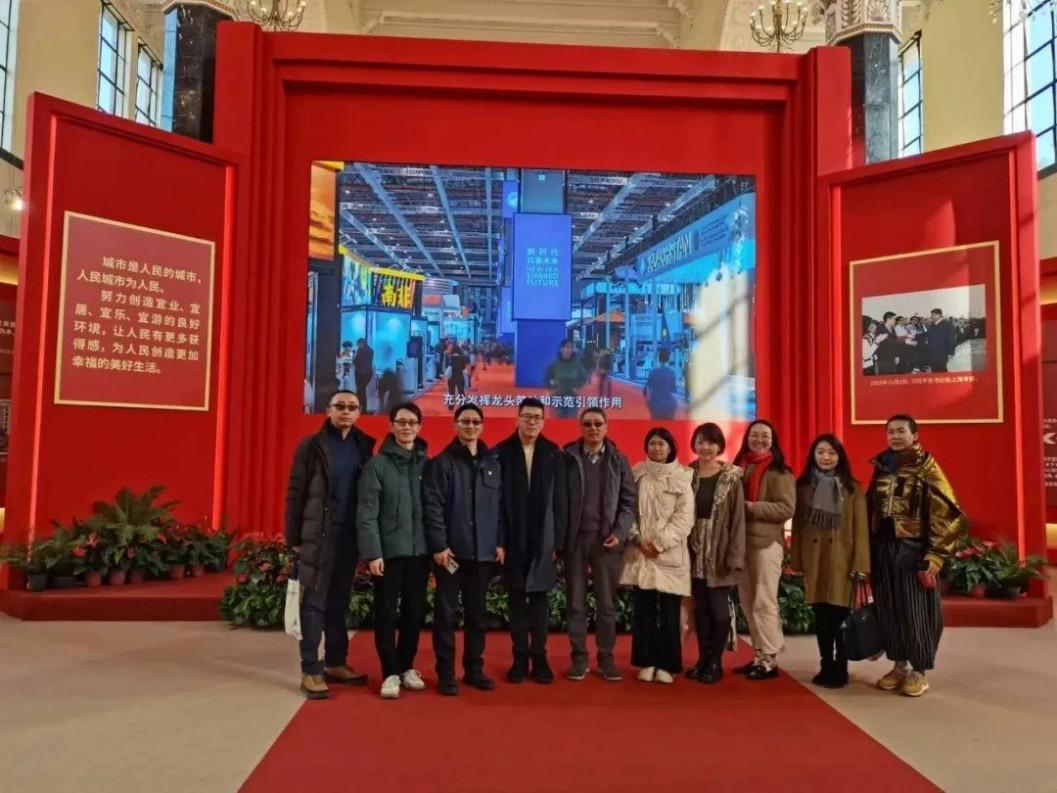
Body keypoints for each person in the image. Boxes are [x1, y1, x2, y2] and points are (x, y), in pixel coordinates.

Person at [285, 390, 376, 699]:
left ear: (359, 413)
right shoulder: (312, 446)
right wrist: (294, 539)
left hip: (349, 537)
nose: (346, 411)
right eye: (340, 406)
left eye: (352, 407)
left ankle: (336, 662)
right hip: (318, 535)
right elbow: (295, 492)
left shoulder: (363, 446)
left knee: (339, 601)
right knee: (314, 603)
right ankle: (311, 669)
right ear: (328, 410)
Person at [866, 414, 965, 697]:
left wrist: (936, 554)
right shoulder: (882, 466)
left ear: (915, 435)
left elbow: (948, 513)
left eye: (901, 431)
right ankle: (899, 665)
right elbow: (870, 507)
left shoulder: (927, 468)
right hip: (883, 547)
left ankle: (919, 670)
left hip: (914, 549)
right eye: (890, 432)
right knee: (889, 606)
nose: (895, 437)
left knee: (917, 610)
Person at [423, 404, 505, 696]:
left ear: (482, 426)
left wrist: (499, 542)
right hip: (450, 554)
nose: (470, 426)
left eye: (475, 422)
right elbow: (432, 506)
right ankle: (446, 674)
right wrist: (439, 544)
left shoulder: (492, 463)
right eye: (465, 421)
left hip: (482, 554)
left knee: (476, 616)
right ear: (455, 425)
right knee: (445, 616)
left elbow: (500, 508)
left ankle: (474, 670)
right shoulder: (441, 463)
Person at [357, 401, 430, 700]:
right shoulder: (377, 465)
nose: (407, 427)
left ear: (419, 427)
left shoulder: (427, 464)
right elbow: (367, 513)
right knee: (386, 613)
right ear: (391, 426)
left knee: (414, 612)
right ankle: (389, 672)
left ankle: (406, 666)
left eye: (412, 422)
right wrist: (373, 552)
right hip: (388, 554)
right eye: (401, 422)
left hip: (420, 552)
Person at [495, 397, 568, 684]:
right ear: (518, 418)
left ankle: (539, 657)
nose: (532, 422)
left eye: (537, 417)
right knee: (516, 600)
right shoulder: (501, 452)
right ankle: (519, 657)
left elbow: (561, 502)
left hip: (543, 538)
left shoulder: (553, 454)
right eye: (527, 416)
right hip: (513, 539)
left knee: (539, 601)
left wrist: (557, 542)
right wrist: (499, 541)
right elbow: (496, 502)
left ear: (543, 421)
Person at [790, 434, 869, 689]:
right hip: (815, 559)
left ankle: (841, 666)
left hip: (842, 562)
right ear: (813, 455)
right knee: (821, 617)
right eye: (821, 452)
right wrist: (797, 560)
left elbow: (861, 529)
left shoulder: (852, 488)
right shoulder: (803, 486)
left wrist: (860, 564)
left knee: (839, 617)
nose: (826, 457)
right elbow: (798, 527)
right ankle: (826, 663)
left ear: (840, 456)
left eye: (831, 453)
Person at [564, 407, 636, 682]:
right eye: (588, 424)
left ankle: (606, 658)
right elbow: (558, 500)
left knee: (606, 605)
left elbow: (629, 502)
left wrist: (620, 532)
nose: (593, 429)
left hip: (607, 541)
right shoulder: (568, 458)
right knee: (575, 604)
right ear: (580, 427)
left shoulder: (619, 460)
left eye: (598, 424)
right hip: (575, 541)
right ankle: (579, 659)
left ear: (606, 427)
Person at [621, 427, 694, 684]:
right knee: (644, 610)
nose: (656, 448)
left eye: (661, 444)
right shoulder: (637, 473)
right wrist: (638, 539)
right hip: (641, 551)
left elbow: (685, 517)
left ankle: (668, 664)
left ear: (670, 447)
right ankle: (646, 661)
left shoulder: (682, 476)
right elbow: (626, 508)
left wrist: (660, 544)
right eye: (652, 443)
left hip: (669, 553)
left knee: (670, 612)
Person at [732, 419, 795, 680]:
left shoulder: (780, 472)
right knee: (748, 602)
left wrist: (752, 507)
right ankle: (759, 654)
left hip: (766, 544)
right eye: (754, 435)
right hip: (741, 543)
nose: (759, 440)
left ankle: (770, 658)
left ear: (773, 440)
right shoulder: (740, 467)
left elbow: (786, 508)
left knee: (764, 601)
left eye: (765, 436)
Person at [685, 422, 745, 684]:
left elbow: (738, 519)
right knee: (701, 609)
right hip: (693, 550)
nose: (706, 447)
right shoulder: (687, 475)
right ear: (694, 444)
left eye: (711, 442)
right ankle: (702, 659)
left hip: (720, 549)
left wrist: (735, 555)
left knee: (719, 609)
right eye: (701, 441)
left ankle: (715, 662)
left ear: (720, 446)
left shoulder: (731, 478)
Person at [545, 340, 588, 419]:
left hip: (571, 396)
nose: (566, 350)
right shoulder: (554, 364)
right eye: (564, 347)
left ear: (572, 350)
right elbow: (547, 378)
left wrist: (577, 387)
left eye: (569, 347)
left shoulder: (577, 364)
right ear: (560, 349)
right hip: (558, 396)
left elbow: (584, 378)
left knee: (571, 420)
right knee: (558, 420)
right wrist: (551, 388)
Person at [644, 347, 678, 419]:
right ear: (668, 359)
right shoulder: (671, 373)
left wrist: (649, 401)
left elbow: (646, 390)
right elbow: (673, 390)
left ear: (659, 359)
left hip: (655, 405)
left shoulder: (653, 372)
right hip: (668, 406)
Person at [925, 308, 958, 373]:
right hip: (933, 353)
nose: (931, 317)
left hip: (942, 353)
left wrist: (951, 352)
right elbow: (927, 334)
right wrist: (915, 337)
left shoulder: (947, 325)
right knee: (936, 370)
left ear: (938, 315)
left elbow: (951, 339)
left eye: (932, 315)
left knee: (941, 370)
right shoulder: (933, 325)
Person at [353, 338, 374, 414]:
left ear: (361, 343)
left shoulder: (361, 350)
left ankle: (360, 409)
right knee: (362, 391)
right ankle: (363, 409)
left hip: (360, 374)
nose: (358, 346)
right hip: (368, 373)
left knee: (360, 392)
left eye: (358, 344)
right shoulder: (370, 350)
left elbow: (357, 362)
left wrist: (353, 359)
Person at [446, 344, 468, 410]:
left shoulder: (450, 358)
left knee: (451, 392)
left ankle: (451, 407)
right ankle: (462, 405)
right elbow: (463, 367)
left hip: (451, 377)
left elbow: (448, 367)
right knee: (461, 391)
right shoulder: (462, 358)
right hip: (459, 376)